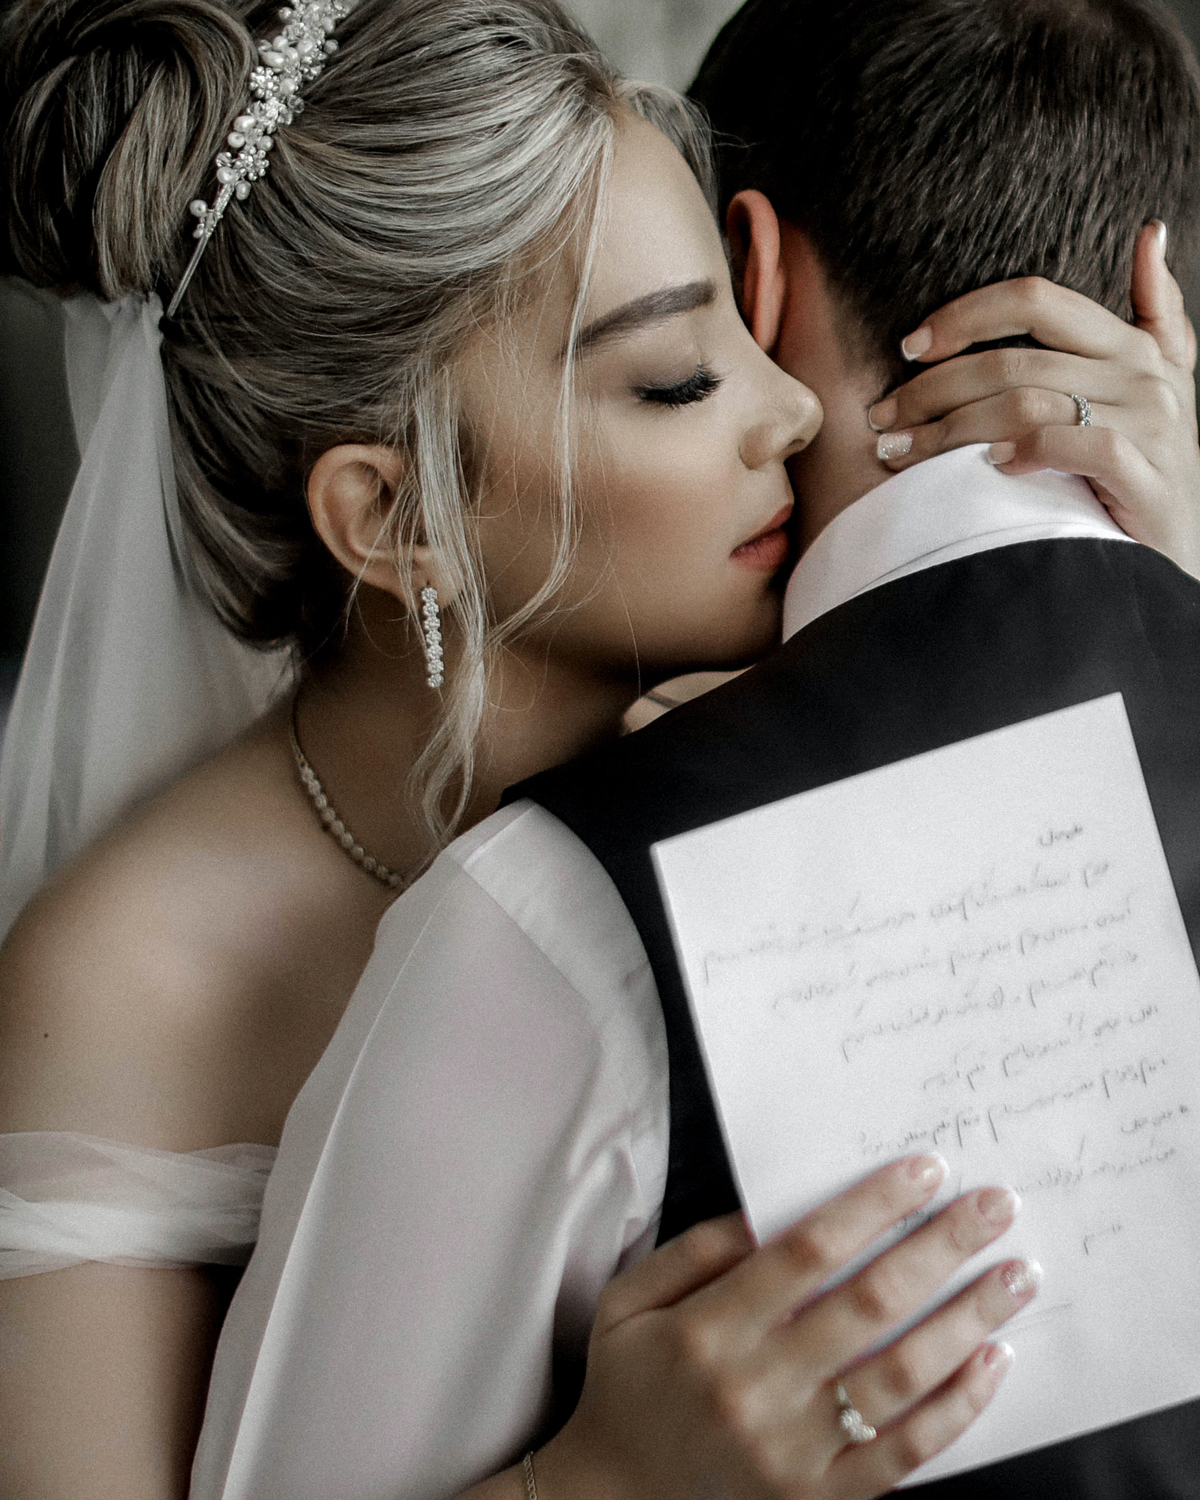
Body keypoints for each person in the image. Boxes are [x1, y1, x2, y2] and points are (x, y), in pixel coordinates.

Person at [0, 0, 1196, 1497]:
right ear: (393, 519)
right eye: (680, 380)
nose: (794, 409)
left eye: (750, 331)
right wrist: (604, 1483)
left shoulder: (779, 779)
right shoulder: (127, 981)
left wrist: (1146, 566)